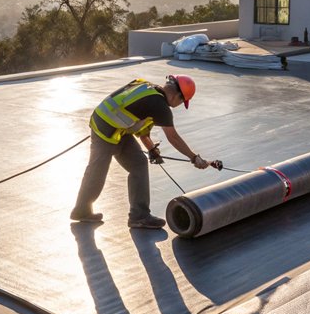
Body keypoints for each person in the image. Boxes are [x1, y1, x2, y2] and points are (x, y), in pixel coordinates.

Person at [71, 74, 220, 229]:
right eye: (183, 102)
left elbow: (141, 130)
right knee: (98, 169)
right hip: (104, 128)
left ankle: (139, 216)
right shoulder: (160, 106)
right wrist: (194, 158)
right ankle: (82, 210)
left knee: (138, 164)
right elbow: (173, 137)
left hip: (118, 128)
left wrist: (151, 149)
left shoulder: (149, 89)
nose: (180, 105)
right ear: (177, 97)